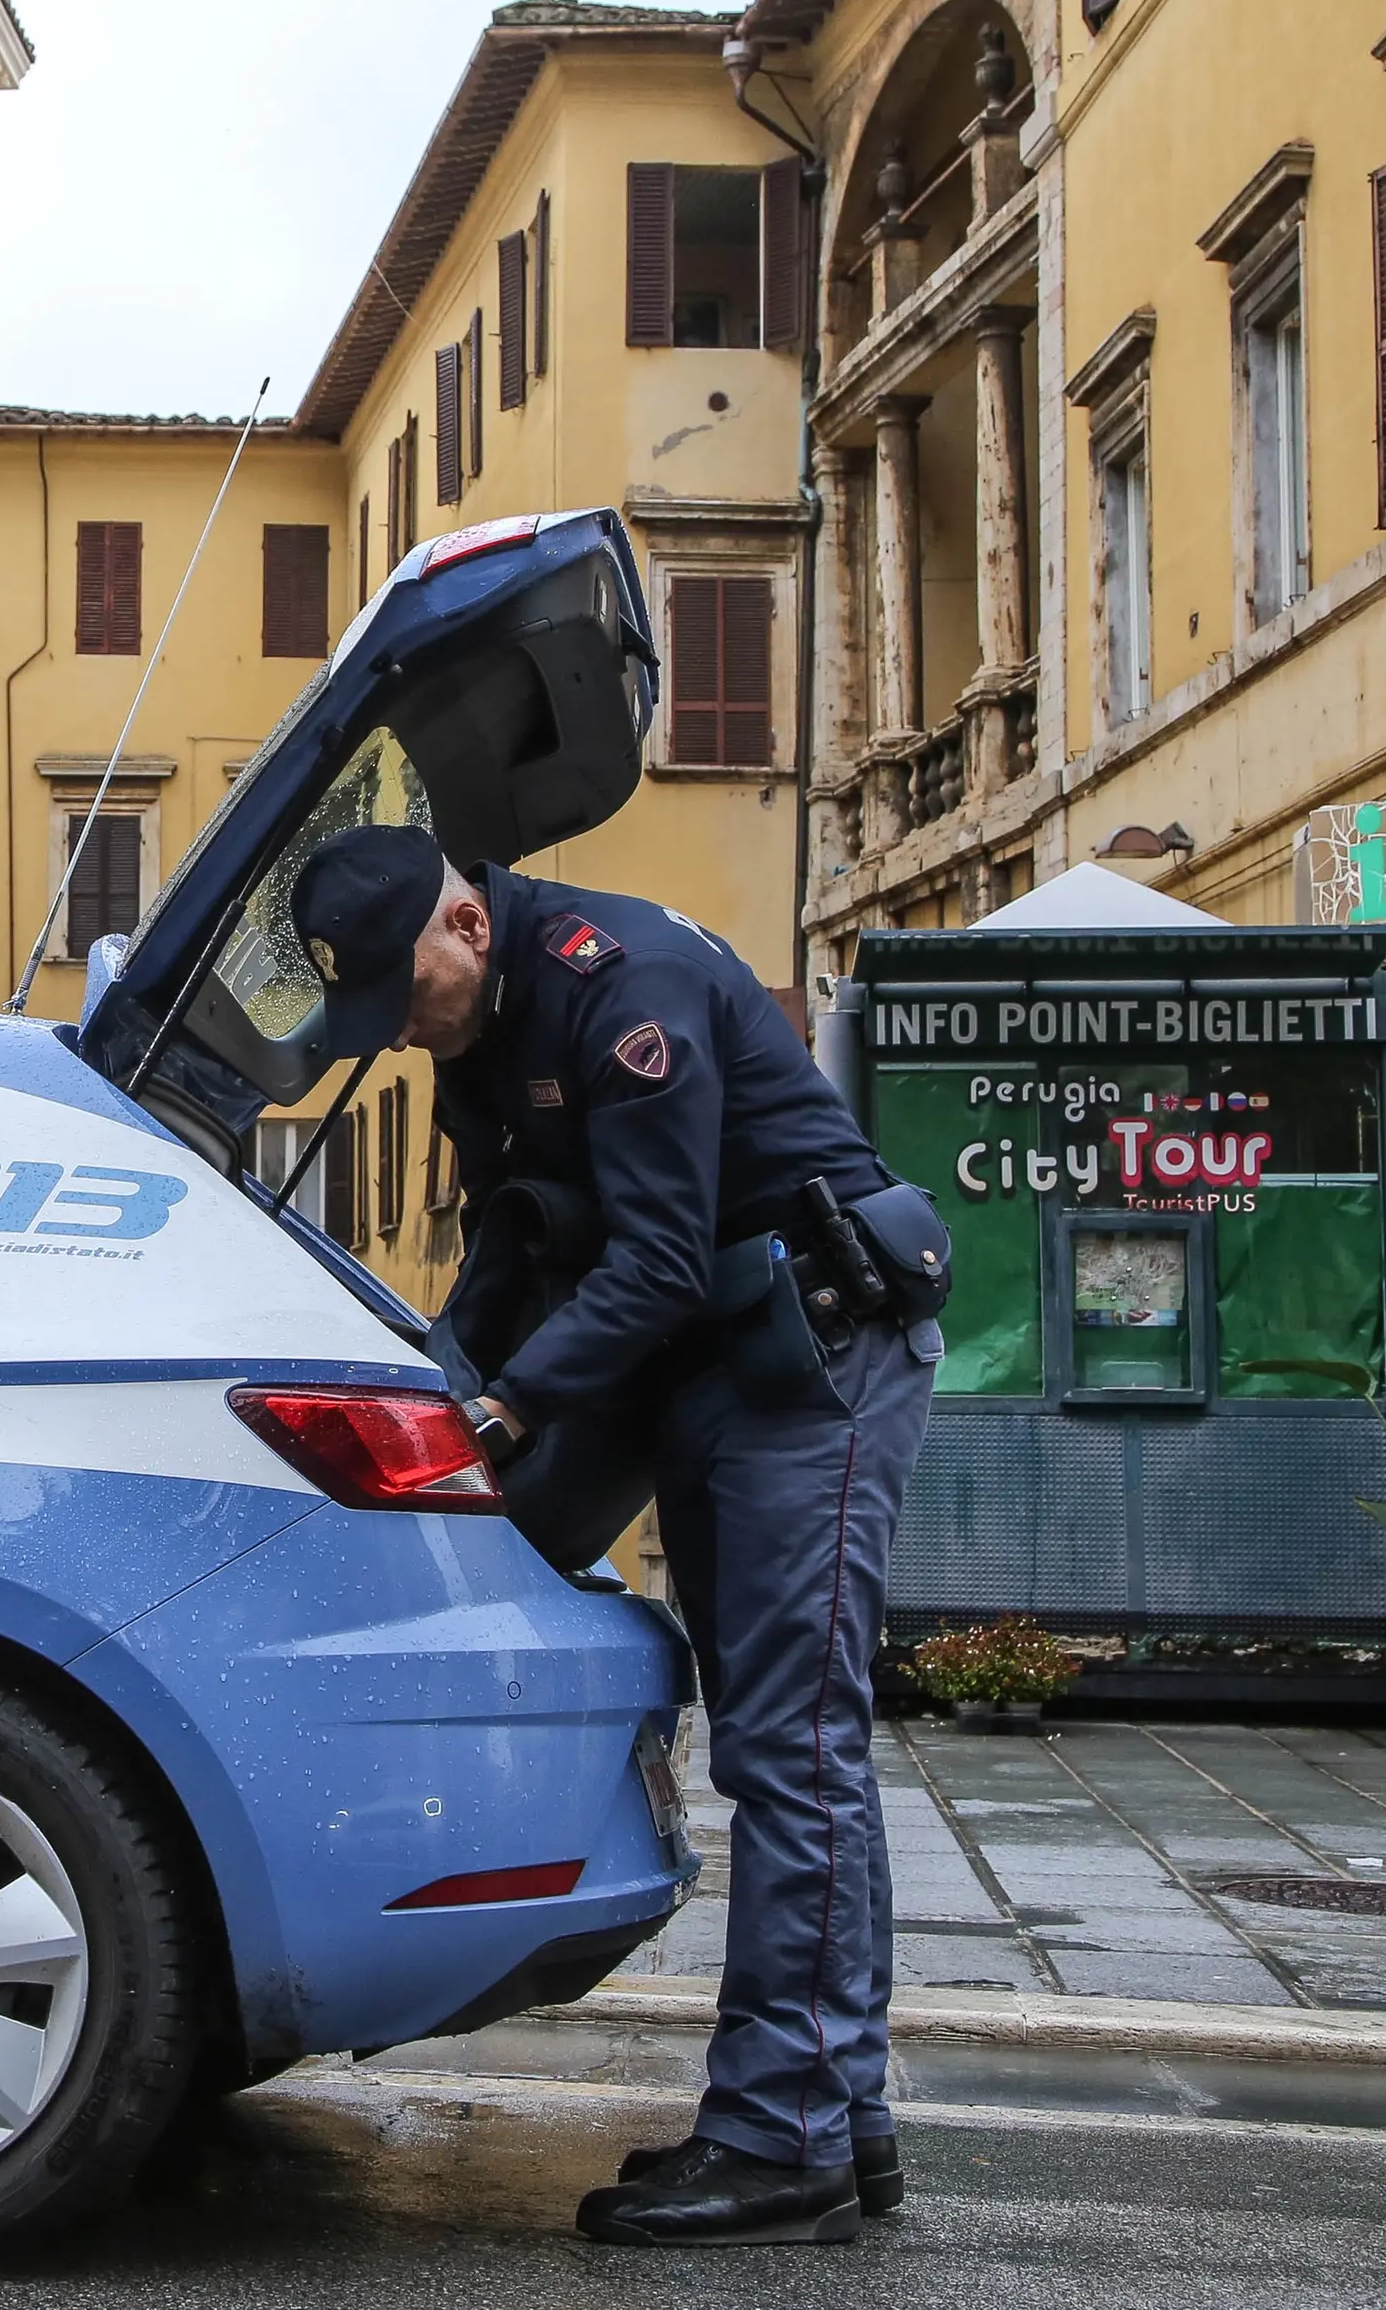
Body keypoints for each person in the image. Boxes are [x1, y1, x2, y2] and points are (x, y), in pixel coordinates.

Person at [286, 823, 946, 2248]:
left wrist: (507, 1412)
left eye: (403, 997)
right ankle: (840, 2119)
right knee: (792, 1739)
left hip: (813, 1348)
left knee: (792, 1742)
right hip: (709, 1360)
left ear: (466, 922)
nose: (398, 1033)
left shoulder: (621, 985)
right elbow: (520, 1247)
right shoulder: (480, 1031)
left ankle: (784, 2135)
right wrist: (432, 1381)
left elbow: (649, 1254)